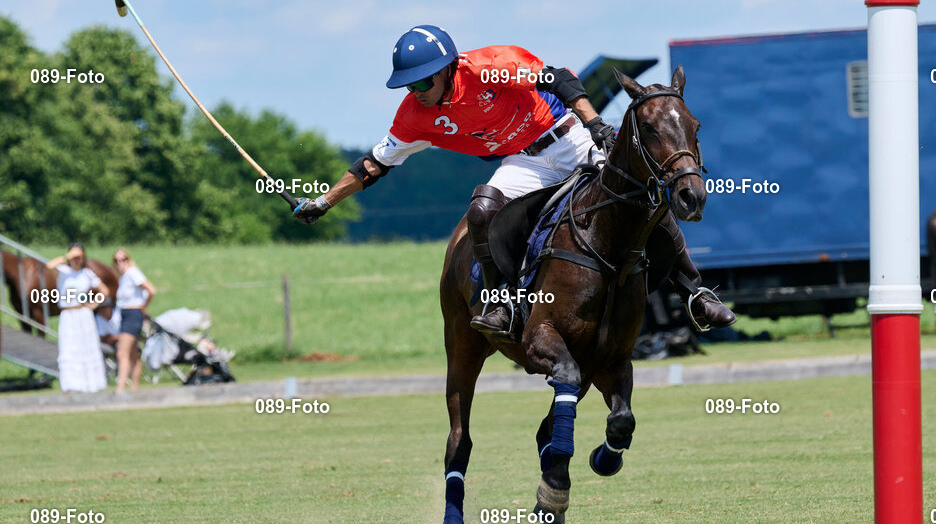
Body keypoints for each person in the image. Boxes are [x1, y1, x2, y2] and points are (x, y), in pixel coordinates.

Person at [293, 25, 734, 336]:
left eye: (424, 80)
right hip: (526, 162)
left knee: (642, 196)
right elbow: (373, 164)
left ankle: (694, 291)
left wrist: (596, 125)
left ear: (448, 67)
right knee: (482, 208)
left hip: (569, 134)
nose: (418, 90)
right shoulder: (416, 115)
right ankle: (500, 300)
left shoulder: (489, 67)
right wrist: (324, 202)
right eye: (409, 85)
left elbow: (560, 79)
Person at [47, 243, 109, 392]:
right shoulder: (63, 271)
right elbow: (49, 266)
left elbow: (104, 290)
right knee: (68, 347)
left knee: (87, 347)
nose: (76, 259)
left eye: (79, 257)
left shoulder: (87, 274)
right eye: (74, 257)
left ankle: (91, 384)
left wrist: (95, 303)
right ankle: (71, 385)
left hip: (83, 313)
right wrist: (68, 256)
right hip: (68, 314)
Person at [112, 248, 156, 392]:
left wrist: (143, 306)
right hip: (126, 314)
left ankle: (121, 386)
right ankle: (134, 387)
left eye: (123, 259)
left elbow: (151, 289)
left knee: (122, 353)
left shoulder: (132, 273)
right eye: (117, 260)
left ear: (128, 260)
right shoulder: (123, 277)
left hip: (133, 313)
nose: (120, 263)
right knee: (132, 354)